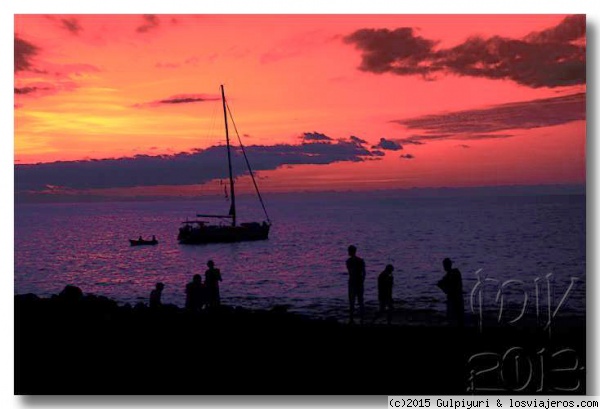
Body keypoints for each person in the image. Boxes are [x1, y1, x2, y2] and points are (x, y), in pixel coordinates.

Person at [437, 258, 465, 327]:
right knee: (458, 317)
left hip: (454, 298)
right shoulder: (453, 273)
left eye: (444, 265)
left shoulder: (452, 274)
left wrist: (444, 288)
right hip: (457, 297)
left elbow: (450, 288)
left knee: (455, 317)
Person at [346, 245, 366, 324]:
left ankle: (351, 319)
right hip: (360, 282)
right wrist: (362, 280)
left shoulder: (349, 261)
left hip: (352, 283)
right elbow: (364, 273)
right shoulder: (361, 260)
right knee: (360, 301)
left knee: (352, 301)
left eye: (348, 251)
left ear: (351, 251)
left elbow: (350, 272)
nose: (348, 252)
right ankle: (362, 318)